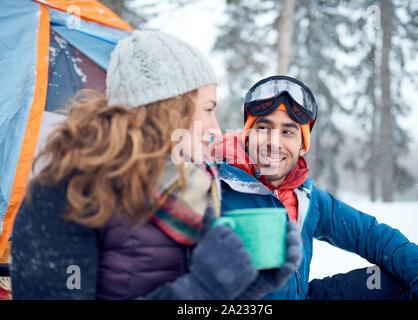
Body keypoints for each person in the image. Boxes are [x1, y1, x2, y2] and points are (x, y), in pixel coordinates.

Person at [10, 31, 302, 300]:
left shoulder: (192, 191)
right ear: (167, 110)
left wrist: (246, 287)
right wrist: (203, 289)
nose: (216, 129)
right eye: (208, 110)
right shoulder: (65, 194)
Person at [211, 75, 418, 300]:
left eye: (288, 132)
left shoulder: (305, 196)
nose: (274, 142)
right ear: (247, 135)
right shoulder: (212, 184)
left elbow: (370, 234)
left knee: (401, 281)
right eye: (264, 128)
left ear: (303, 145)